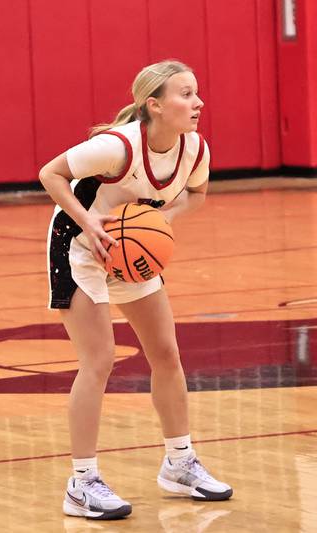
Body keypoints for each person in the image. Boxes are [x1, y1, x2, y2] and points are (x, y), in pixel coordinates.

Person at [38, 59, 232, 521]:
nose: (198, 102)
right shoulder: (117, 146)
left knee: (166, 353)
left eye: (197, 92)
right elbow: (50, 173)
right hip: (80, 247)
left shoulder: (194, 150)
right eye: (185, 94)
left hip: (128, 248)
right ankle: (81, 484)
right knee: (99, 360)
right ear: (155, 105)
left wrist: (154, 222)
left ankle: (179, 463)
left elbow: (197, 196)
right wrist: (89, 220)